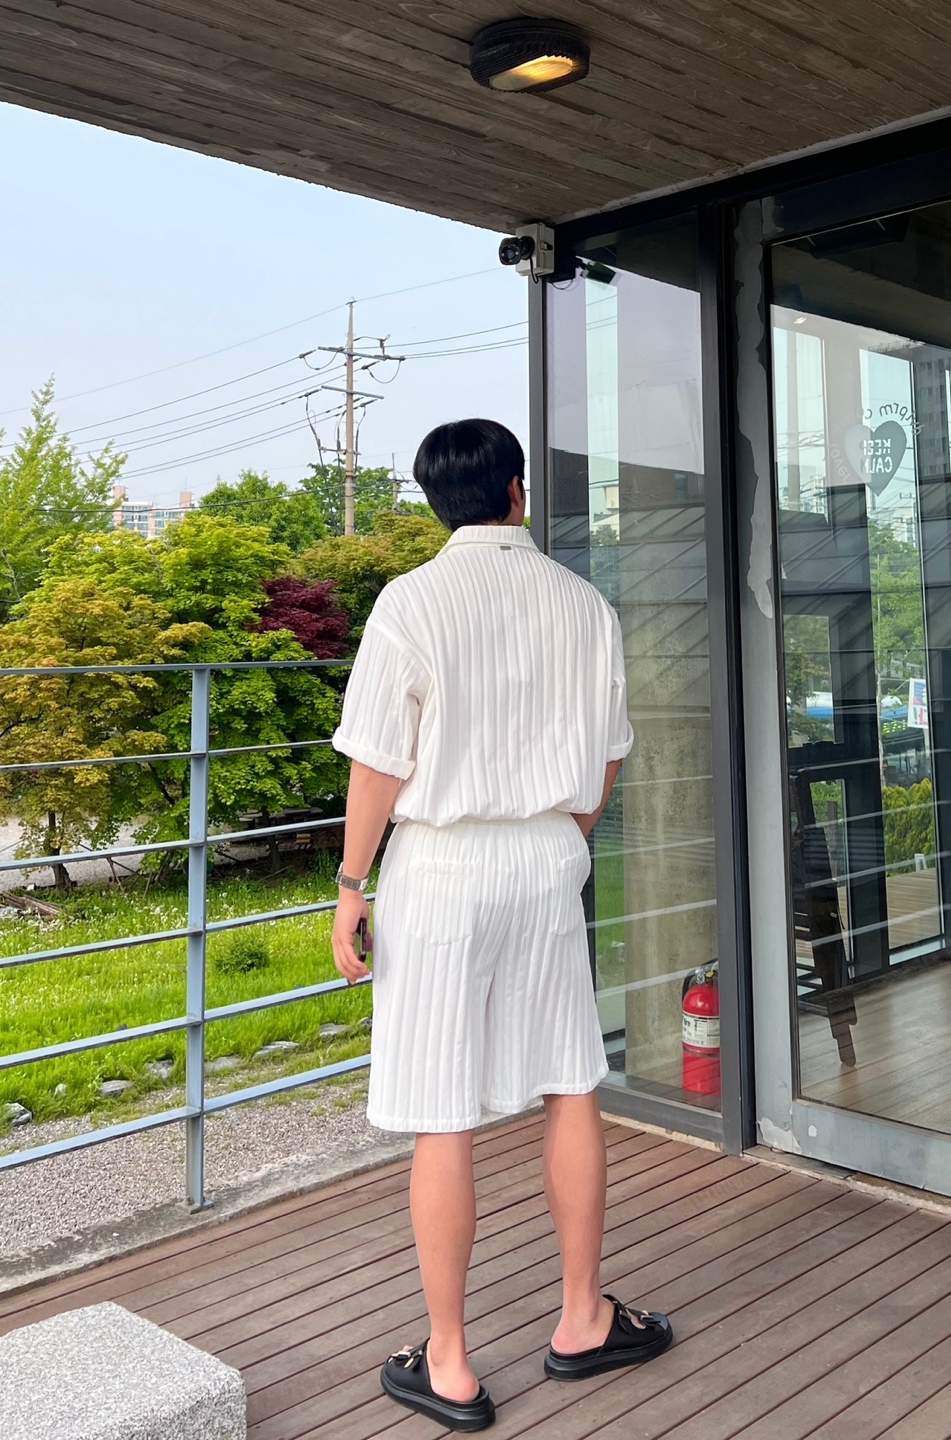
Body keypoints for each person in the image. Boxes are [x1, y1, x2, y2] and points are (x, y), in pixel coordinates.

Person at [330, 419, 672, 1431]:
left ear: (435, 501)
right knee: (569, 1081)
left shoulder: (410, 601)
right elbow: (606, 753)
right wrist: (558, 833)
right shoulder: (581, 602)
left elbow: (377, 761)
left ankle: (447, 1361)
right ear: (518, 490)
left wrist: (350, 883)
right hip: (546, 855)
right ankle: (581, 1318)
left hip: (440, 868)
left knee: (444, 1110)